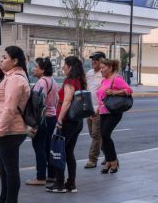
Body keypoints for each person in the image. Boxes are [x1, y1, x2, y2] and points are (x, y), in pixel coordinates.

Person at [0, 46, 30, 203]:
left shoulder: (15, 79)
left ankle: (10, 200)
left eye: (5, 57)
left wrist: (0, 130)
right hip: (7, 130)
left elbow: (10, 107)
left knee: (10, 170)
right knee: (5, 167)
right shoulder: (10, 77)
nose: (1, 60)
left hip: (10, 131)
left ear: (15, 61)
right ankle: (4, 198)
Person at [46, 56, 85, 193]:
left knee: (60, 151)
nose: (63, 68)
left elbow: (67, 101)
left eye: (65, 65)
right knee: (69, 152)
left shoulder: (69, 81)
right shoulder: (79, 80)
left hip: (68, 121)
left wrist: (59, 120)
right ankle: (71, 183)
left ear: (70, 67)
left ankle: (59, 183)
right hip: (77, 121)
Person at [25, 57, 58, 186]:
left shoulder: (41, 83)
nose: (34, 69)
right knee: (48, 147)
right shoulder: (53, 81)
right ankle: (51, 175)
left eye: (36, 67)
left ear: (43, 70)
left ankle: (40, 177)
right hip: (52, 117)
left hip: (42, 119)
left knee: (39, 147)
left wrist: (35, 122)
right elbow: (55, 100)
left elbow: (39, 103)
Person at [97, 59, 132, 174]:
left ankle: (113, 161)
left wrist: (114, 92)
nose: (100, 70)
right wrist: (96, 110)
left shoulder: (116, 79)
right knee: (103, 137)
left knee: (106, 135)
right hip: (103, 112)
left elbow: (129, 90)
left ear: (110, 68)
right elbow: (101, 98)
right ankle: (109, 161)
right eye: (100, 68)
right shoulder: (104, 81)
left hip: (113, 112)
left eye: (103, 68)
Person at [84, 52, 105, 169]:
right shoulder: (89, 73)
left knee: (96, 135)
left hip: (99, 110)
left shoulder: (105, 74)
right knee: (94, 135)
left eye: (96, 61)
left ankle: (92, 159)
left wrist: (97, 109)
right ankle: (109, 155)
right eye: (92, 60)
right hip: (89, 109)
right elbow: (87, 90)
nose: (93, 62)